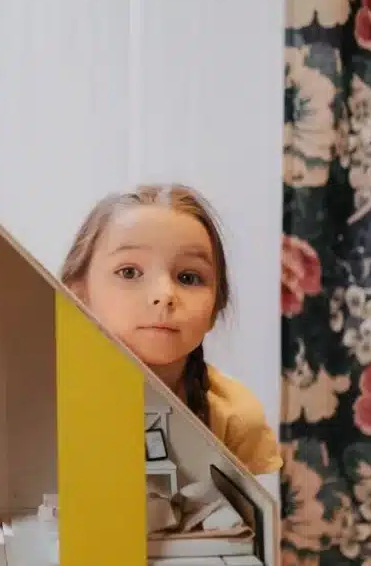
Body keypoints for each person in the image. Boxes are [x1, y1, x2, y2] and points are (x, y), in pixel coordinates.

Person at [59, 184, 282, 475]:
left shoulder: (236, 417)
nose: (164, 294)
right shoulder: (37, 404)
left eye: (189, 277)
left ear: (216, 306)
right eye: (129, 272)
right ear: (78, 294)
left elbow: (258, 518)